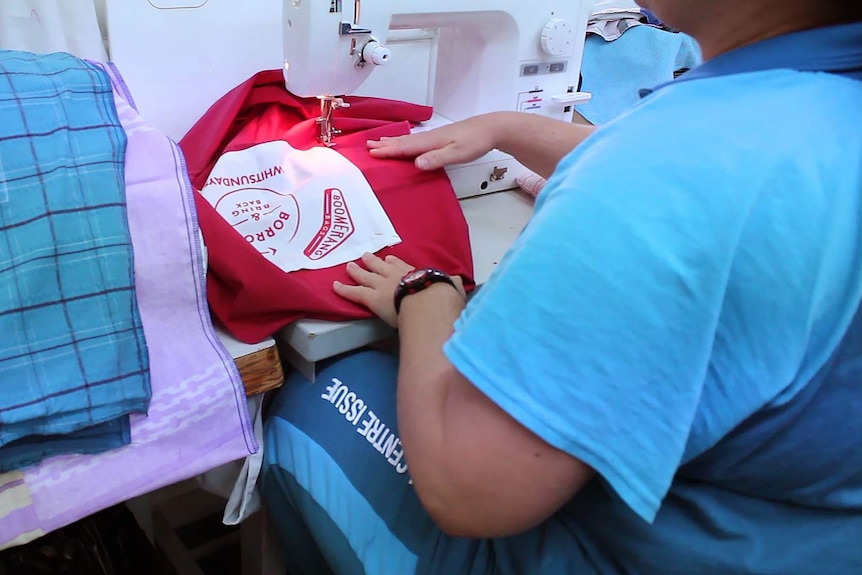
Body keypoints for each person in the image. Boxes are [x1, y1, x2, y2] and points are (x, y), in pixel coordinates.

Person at [260, 0, 862, 572]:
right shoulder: (810, 102)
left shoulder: (672, 163)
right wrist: (508, 127)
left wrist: (428, 297)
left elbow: (469, 493)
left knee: (313, 393)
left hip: (630, 553)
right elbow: (715, 170)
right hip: (803, 532)